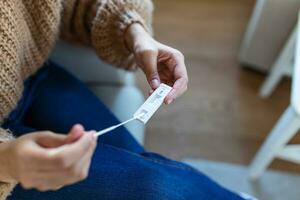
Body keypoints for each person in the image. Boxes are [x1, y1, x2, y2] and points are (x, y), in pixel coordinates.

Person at [0, 1, 249, 199]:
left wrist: (133, 30)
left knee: (144, 168)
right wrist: (7, 162)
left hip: (30, 78)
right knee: (157, 188)